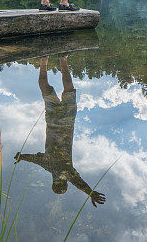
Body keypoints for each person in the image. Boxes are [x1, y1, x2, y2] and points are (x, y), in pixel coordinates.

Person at [14, 55, 106, 206]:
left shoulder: (67, 172)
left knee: (69, 89)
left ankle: (63, 59)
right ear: (53, 182)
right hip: (52, 121)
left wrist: (90, 192)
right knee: (46, 89)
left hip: (67, 121)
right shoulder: (47, 165)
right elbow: (32, 159)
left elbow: (79, 182)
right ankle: (44, 60)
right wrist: (21, 157)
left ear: (65, 183)